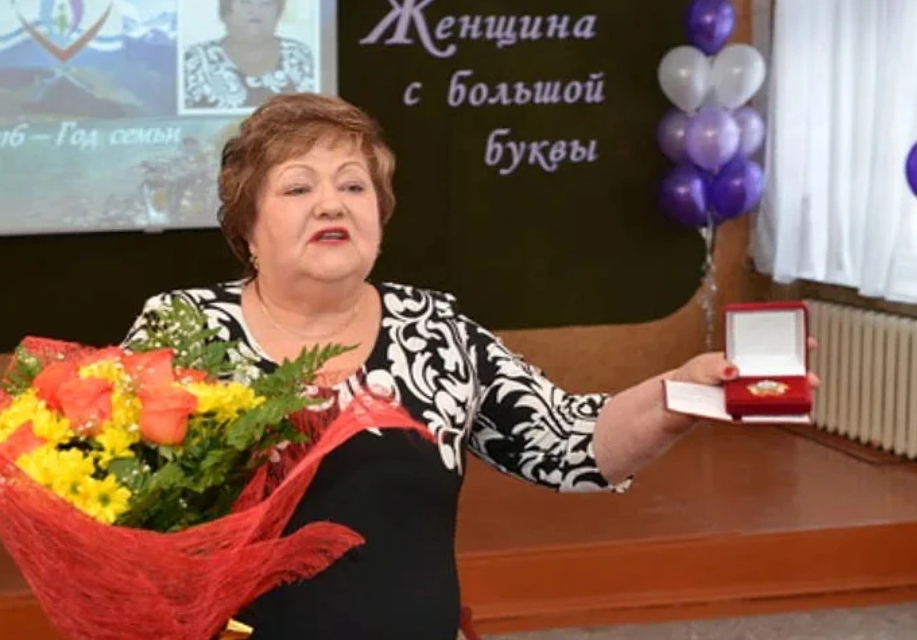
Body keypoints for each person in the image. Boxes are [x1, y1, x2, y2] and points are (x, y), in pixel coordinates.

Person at [122, 93, 820, 639]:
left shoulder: (436, 329)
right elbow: (117, 495)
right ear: (247, 227)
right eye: (298, 188)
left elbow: (570, 442)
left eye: (354, 187)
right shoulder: (185, 330)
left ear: (380, 215)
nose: (331, 203)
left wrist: (679, 394)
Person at [182, 0, 315, 112]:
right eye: (245, 2)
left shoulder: (301, 57)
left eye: (266, 3)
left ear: (278, 12)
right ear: (226, 10)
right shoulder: (194, 61)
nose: (255, 10)